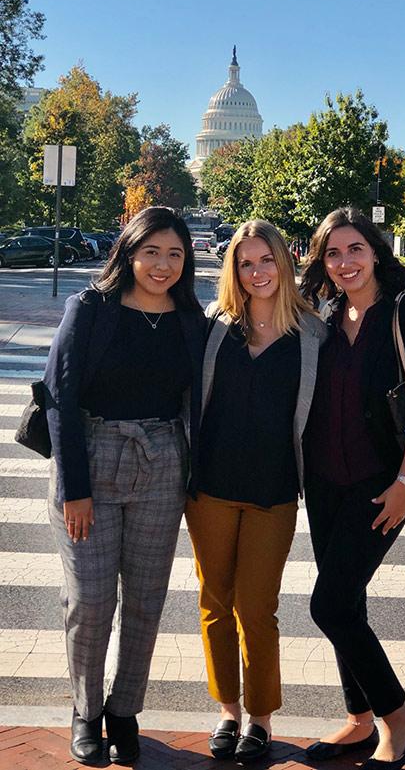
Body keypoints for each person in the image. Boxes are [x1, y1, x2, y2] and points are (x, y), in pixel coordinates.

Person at [44, 207, 205, 765]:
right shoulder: (90, 310)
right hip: (92, 457)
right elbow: (59, 399)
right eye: (152, 252)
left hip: (162, 463)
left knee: (144, 600)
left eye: (175, 254)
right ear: (129, 252)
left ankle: (125, 709)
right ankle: (86, 711)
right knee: (90, 600)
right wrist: (74, 489)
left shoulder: (190, 320)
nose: (163, 265)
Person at [300, 208, 405, 770]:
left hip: (379, 484)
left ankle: (399, 716)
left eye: (355, 249)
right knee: (349, 601)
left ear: (377, 251)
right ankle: (359, 719)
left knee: (330, 605)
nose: (344, 262)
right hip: (323, 483)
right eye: (333, 253)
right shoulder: (328, 312)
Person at [185, 220, 326, 763]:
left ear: (283, 263)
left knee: (256, 606)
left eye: (266, 260)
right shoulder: (216, 327)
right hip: (211, 489)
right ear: (234, 271)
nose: (257, 272)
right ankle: (228, 711)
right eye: (246, 263)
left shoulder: (313, 334)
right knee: (215, 603)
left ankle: (261, 718)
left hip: (274, 492)